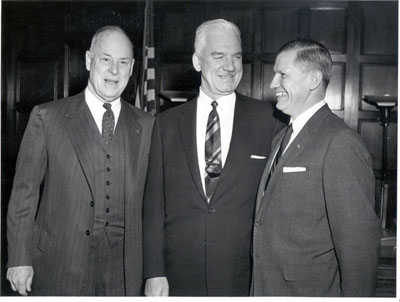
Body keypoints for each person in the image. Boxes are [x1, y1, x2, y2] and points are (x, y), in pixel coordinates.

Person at [6, 25, 154, 296]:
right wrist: (19, 258)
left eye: (122, 63)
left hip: (125, 270)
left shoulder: (147, 125)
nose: (114, 71)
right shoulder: (46, 118)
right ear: (88, 60)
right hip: (60, 263)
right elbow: (24, 194)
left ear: (132, 68)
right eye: (105, 59)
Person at [143, 19, 282, 296]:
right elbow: (154, 206)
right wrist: (154, 272)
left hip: (244, 277)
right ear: (197, 61)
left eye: (236, 57)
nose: (230, 66)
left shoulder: (270, 121)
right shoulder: (166, 125)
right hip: (177, 276)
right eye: (219, 56)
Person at [252, 39, 381, 296]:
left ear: (313, 79)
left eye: (282, 75)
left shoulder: (341, 142)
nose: (272, 84)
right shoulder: (282, 137)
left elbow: (358, 249)